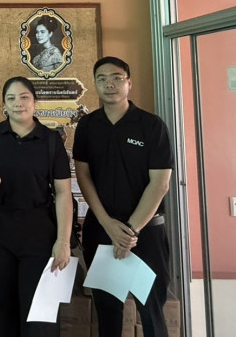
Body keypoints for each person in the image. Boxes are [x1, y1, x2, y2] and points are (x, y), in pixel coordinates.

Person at [72, 56, 173, 337]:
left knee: (152, 312)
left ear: (129, 83)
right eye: (102, 79)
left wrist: (130, 232)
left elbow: (160, 184)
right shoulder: (88, 126)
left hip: (146, 232)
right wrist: (107, 224)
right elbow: (83, 176)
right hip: (101, 229)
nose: (109, 84)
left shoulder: (151, 126)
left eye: (116, 78)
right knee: (107, 312)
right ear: (95, 85)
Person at [0, 76, 72, 337]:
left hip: (39, 232)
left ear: (34, 102)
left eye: (24, 97)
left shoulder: (51, 140)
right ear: (4, 105)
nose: (18, 103)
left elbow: (63, 192)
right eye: (11, 98)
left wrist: (63, 242)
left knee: (39, 315)